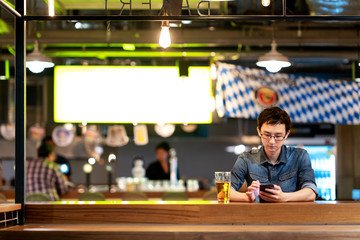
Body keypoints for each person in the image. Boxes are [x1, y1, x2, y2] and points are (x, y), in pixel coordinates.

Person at [230, 106, 318, 202]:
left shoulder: (300, 156)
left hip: (291, 215)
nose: (272, 141)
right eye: (267, 135)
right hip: (257, 215)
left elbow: (311, 192)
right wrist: (247, 197)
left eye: (278, 136)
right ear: (259, 131)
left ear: (287, 134)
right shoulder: (246, 159)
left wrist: (284, 197)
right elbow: (225, 191)